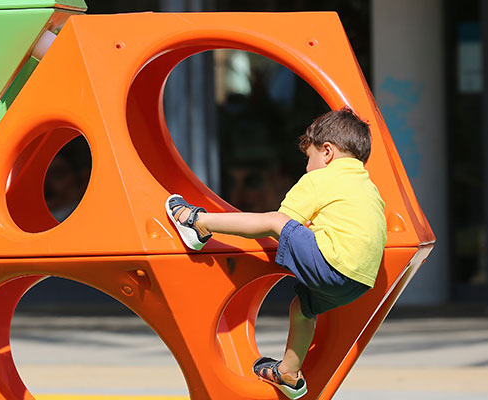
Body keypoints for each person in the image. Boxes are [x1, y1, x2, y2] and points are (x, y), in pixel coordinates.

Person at [164, 107, 386, 400]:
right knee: (302, 309)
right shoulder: (369, 188)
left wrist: (287, 229)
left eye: (310, 159)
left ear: (328, 152)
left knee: (275, 222)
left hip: (333, 264)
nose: (307, 168)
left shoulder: (321, 180)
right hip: (359, 284)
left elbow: (281, 221)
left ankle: (197, 224)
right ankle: (289, 373)